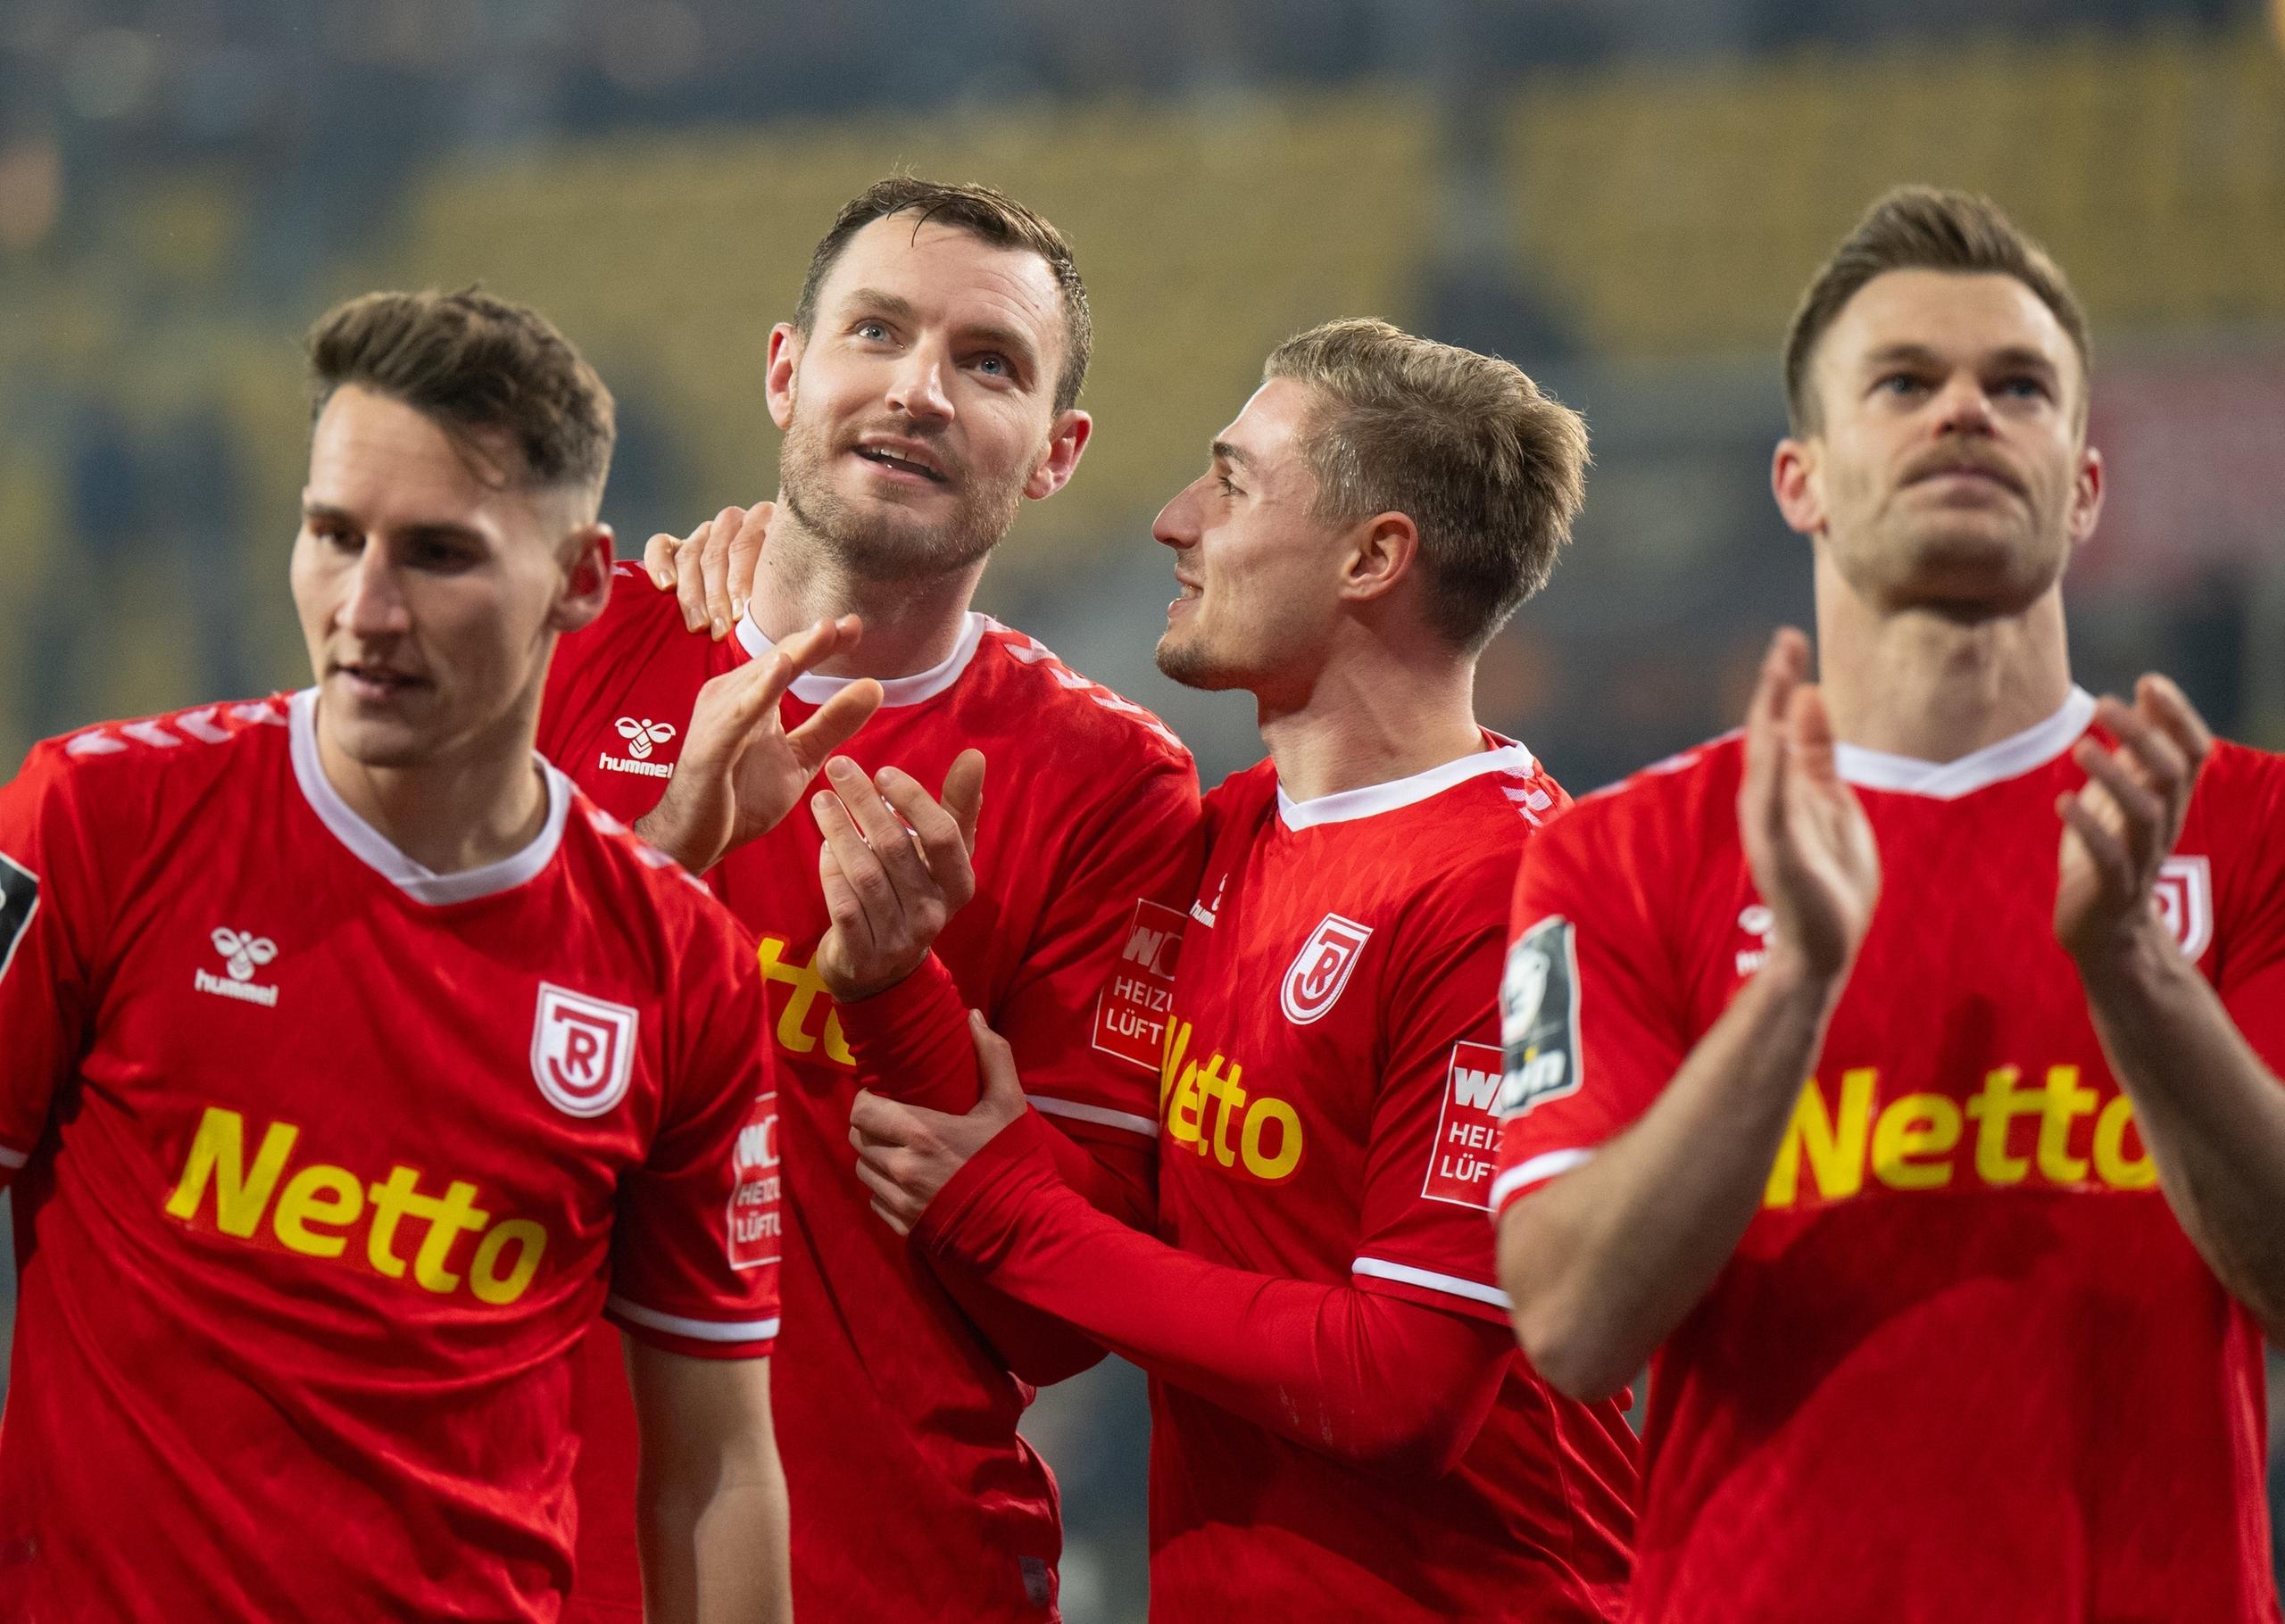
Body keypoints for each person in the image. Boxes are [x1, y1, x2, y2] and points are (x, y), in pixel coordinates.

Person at [1492, 186, 2285, 1621]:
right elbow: (1568, 1323)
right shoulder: (1614, 855)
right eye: (1906, 382)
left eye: (2019, 386)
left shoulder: (2250, 829)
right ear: (1801, 477)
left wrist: (2134, 973)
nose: (1965, 414)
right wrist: (1794, 984)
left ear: (2085, 481)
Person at [0, 288, 837, 1620]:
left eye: (439, 555)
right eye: (334, 536)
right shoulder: (96, 821)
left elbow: (716, 1468)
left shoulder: (681, 966)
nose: (366, 607)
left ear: (577, 580)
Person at [848, 319, 1640, 1620]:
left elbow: (1406, 1387)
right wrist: (894, 986)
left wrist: (1006, 1214)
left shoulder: (1522, 905)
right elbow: (1086, 1217)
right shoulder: (1221, 841)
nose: (1174, 519)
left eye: (1230, 481)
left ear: (1375, 556)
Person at [537, 177, 1201, 1620]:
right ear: (787, 370)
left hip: (891, 1570)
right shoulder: (561, 649)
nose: (920, 391)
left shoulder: (1111, 785)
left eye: (988, 364)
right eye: (877, 333)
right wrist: (666, 850)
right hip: (510, 1546)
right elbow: (392, 1085)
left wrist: (904, 998)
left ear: (1056, 454)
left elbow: (1061, 1312)